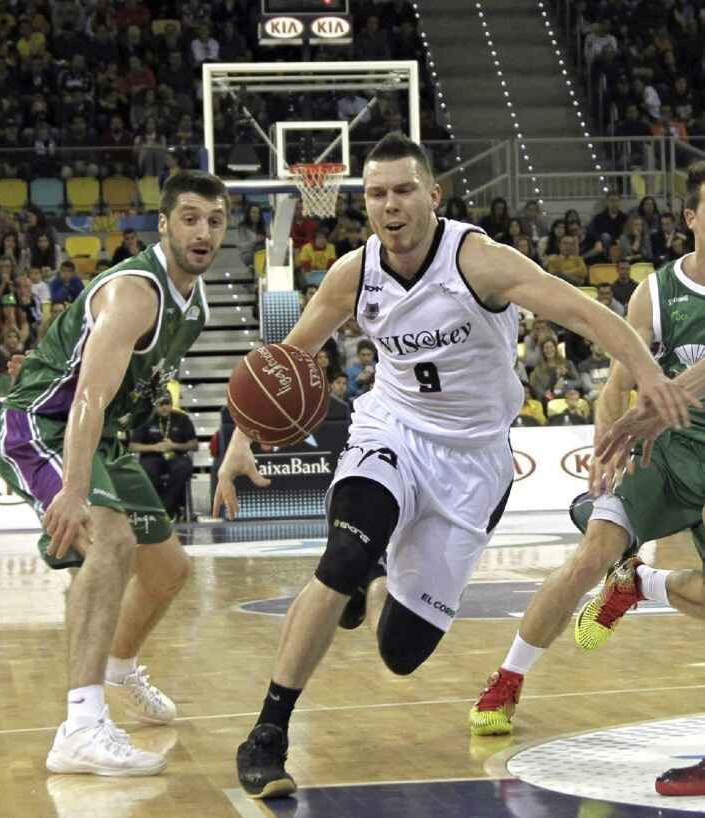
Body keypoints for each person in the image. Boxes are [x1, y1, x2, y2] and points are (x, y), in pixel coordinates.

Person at [212, 133, 693, 800]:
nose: (390, 204)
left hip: (472, 463)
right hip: (392, 431)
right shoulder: (355, 273)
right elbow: (284, 358)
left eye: (404, 190)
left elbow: (586, 313)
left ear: (433, 196)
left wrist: (648, 376)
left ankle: (374, 578)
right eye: (377, 193)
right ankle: (267, 733)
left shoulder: (480, 262)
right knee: (340, 559)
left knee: (400, 652)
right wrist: (242, 437)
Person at [0, 170, 229, 776]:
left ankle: (119, 664)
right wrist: (73, 490)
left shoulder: (194, 303)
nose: (203, 231)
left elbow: (99, 369)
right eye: (190, 218)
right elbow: (86, 401)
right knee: (112, 543)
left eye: (215, 220)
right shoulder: (136, 292)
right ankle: (80, 725)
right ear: (164, 225)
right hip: (45, 428)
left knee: (169, 571)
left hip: (109, 440)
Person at [469, 160, 705, 740]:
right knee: (588, 557)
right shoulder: (659, 290)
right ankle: (507, 679)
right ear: (693, 217)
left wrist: (654, 403)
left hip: (667, 429)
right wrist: (607, 447)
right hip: (663, 451)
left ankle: (641, 585)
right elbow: (619, 381)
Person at [128, 391, 198, 519]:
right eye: (161, 404)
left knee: (182, 468)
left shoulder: (182, 418)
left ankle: (164, 509)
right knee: (147, 471)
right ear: (154, 405)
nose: (164, 407)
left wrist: (175, 446)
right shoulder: (145, 419)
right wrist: (154, 447)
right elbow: (132, 446)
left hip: (176, 456)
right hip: (152, 456)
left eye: (167, 403)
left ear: (172, 404)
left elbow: (194, 445)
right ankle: (170, 507)